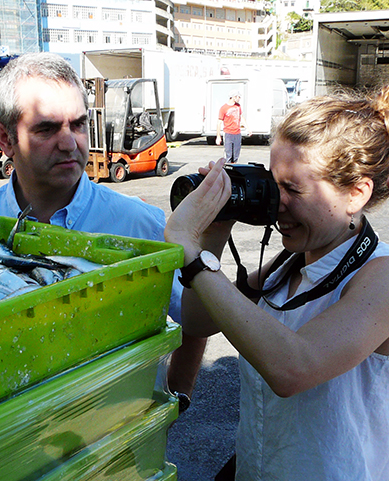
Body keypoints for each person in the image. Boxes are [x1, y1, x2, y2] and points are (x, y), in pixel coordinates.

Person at [0, 52, 207, 407]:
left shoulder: (140, 224)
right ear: (4, 139)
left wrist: (176, 400)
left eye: (78, 125)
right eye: (47, 128)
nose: (69, 143)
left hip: (115, 438)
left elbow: (194, 321)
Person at [165, 87, 389, 479]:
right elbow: (199, 323)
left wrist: (192, 255)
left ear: (356, 193)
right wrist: (213, 234)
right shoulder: (288, 267)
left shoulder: (380, 276)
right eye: (273, 183)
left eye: (293, 189)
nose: (275, 202)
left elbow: (294, 367)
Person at [216, 90, 248, 163]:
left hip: (237, 133)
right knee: (228, 155)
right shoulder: (224, 108)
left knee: (236, 155)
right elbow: (219, 122)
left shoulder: (238, 106)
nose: (239, 98)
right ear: (234, 97)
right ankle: (227, 170)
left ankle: (234, 170)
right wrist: (218, 136)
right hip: (228, 133)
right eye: (238, 97)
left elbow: (241, 117)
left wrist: (247, 128)